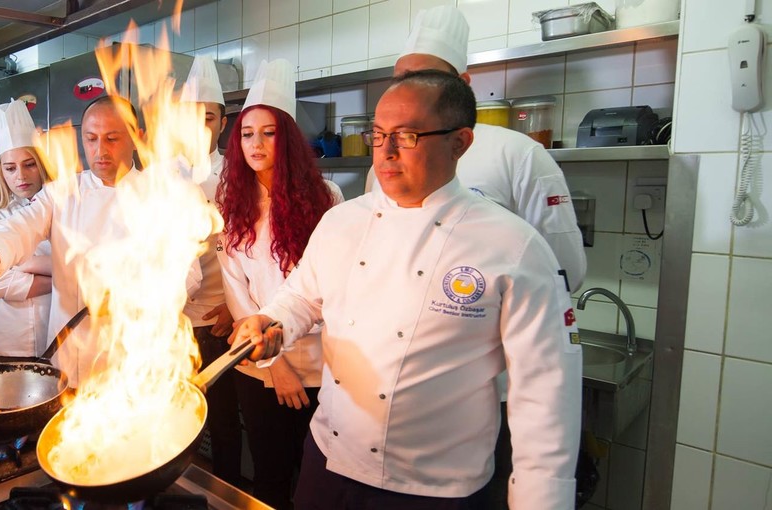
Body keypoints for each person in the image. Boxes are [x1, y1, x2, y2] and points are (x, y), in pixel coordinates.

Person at [233, 70, 583, 509]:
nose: (386, 152)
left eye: (408, 135)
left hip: (438, 488)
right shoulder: (343, 222)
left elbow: (546, 396)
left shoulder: (513, 246)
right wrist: (274, 321)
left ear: (460, 142)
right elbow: (301, 296)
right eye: (378, 135)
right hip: (330, 466)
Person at [0, 95, 200, 388]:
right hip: (72, 362)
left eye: (112, 138)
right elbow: (21, 226)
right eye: (91, 139)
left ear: (136, 138)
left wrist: (140, 296)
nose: (99, 150)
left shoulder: (164, 197)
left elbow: (190, 274)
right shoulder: (64, 193)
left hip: (138, 362)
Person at [364, 6, 586, 293]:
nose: (411, 91)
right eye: (401, 81)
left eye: (427, 78)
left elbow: (564, 269)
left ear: (462, 86)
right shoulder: (382, 166)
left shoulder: (519, 154)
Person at [216, 58, 345, 510]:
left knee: (317, 478)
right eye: (247, 134)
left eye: (268, 133)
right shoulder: (231, 203)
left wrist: (295, 360)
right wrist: (276, 366)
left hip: (322, 366)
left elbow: (329, 285)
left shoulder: (327, 198)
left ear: (286, 138)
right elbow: (237, 294)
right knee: (269, 477)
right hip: (258, 365)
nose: (255, 143)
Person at [178, 55, 245, 488]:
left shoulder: (239, 176)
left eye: (209, 117)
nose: (200, 125)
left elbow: (246, 250)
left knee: (222, 422)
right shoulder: (160, 174)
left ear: (222, 123)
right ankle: (175, 485)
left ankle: (225, 492)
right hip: (174, 318)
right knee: (176, 417)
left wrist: (235, 308)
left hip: (222, 319)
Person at [0, 99, 54, 358]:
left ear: (41, 166)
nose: (21, 176)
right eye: (10, 168)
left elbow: (80, 263)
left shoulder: (61, 208)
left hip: (54, 334)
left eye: (29, 165)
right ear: (1, 173)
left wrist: (21, 264)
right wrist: (57, 276)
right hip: (5, 341)